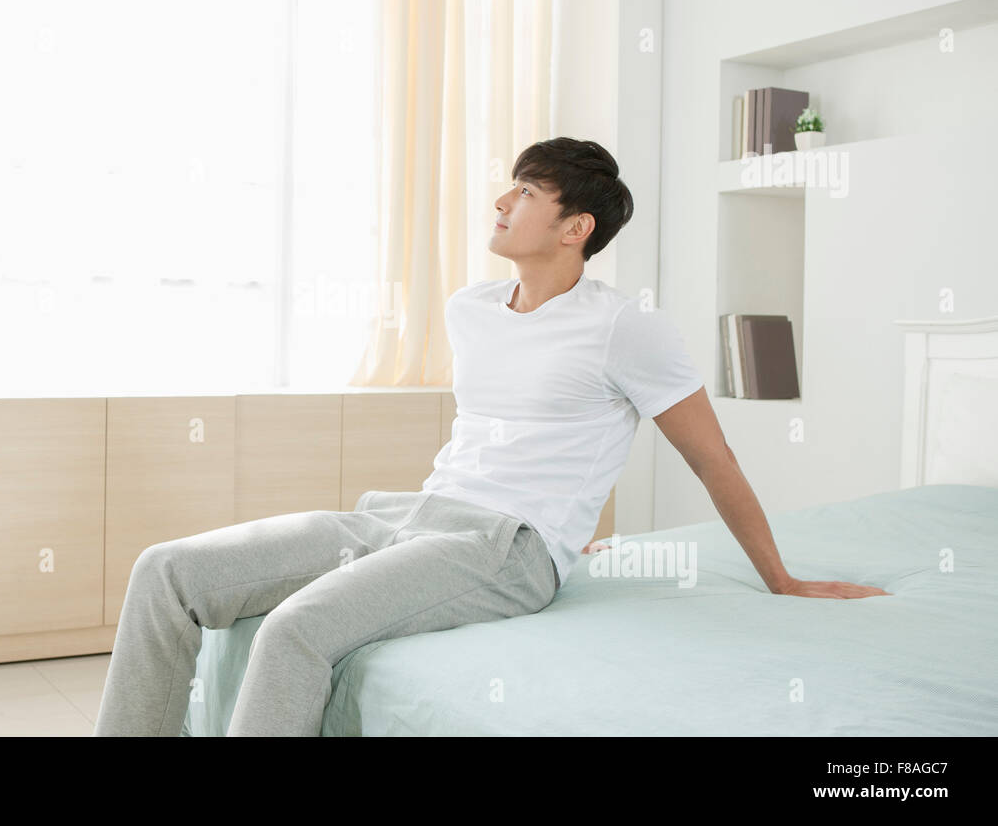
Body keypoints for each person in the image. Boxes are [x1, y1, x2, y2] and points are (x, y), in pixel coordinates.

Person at [93, 136, 888, 738]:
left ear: (576, 226)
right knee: (166, 572)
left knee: (297, 628)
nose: (503, 203)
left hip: (505, 550)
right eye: (509, 187)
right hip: (412, 517)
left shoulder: (624, 327)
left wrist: (779, 578)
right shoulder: (471, 307)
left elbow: (713, 459)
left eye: (528, 192)